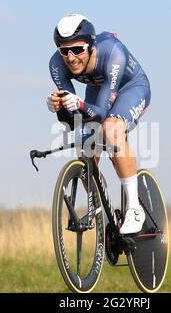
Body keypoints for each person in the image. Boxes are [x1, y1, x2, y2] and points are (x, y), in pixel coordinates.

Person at [47, 14, 151, 234]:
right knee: (83, 144)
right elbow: (73, 119)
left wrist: (81, 104)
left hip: (130, 89)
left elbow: (102, 114)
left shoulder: (112, 52)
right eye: (64, 50)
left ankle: (134, 208)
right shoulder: (56, 64)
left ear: (91, 46)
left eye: (78, 49)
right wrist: (59, 107)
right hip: (98, 91)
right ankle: (104, 212)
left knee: (111, 130)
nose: (71, 57)